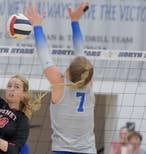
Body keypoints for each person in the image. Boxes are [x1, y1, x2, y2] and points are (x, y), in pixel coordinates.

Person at [26, 2, 96, 154]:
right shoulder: (88, 81)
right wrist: (75, 21)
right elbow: (80, 53)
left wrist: (37, 26)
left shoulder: (59, 82)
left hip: (62, 151)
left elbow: (43, 53)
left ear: (68, 71)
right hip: (88, 151)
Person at [0, 67, 45, 154]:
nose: (11, 89)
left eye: (16, 87)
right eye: (9, 86)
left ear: (24, 93)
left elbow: (14, 150)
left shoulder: (22, 121)